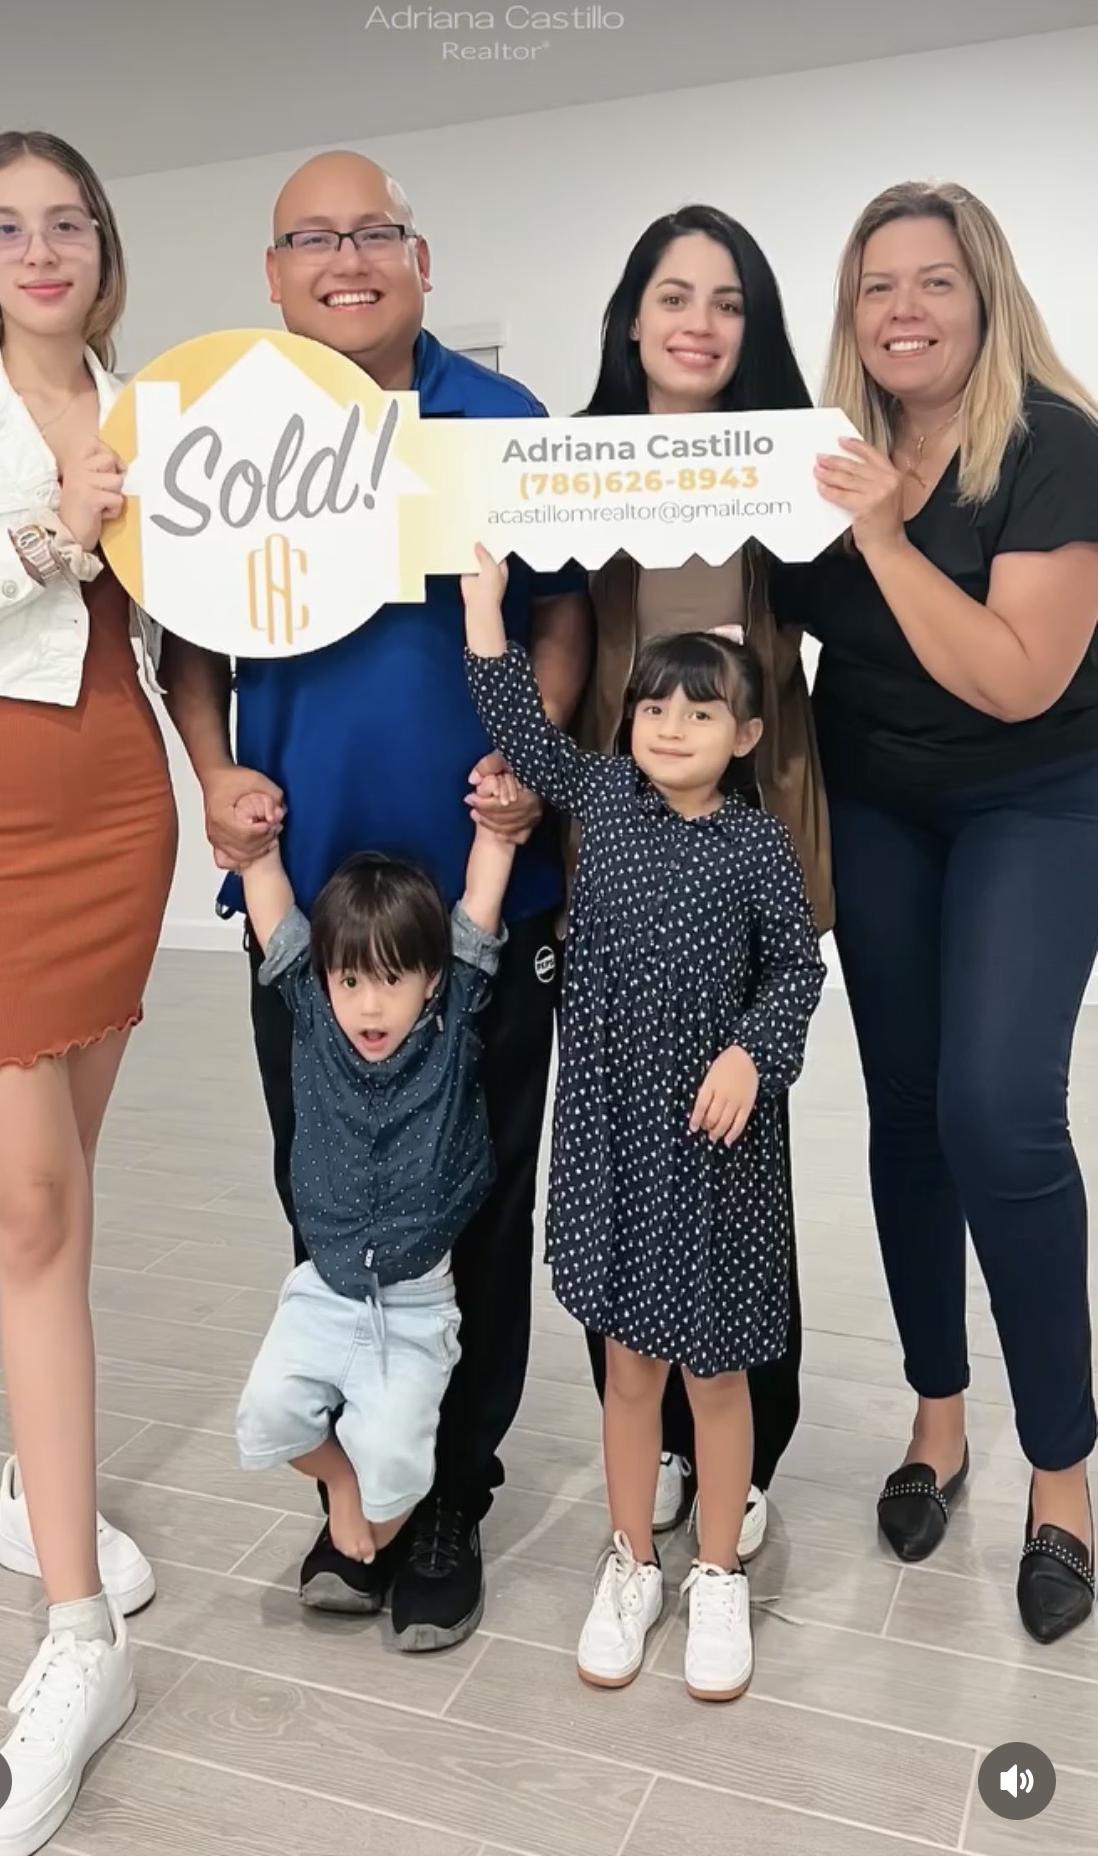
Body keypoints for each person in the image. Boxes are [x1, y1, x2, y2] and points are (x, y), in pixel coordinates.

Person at [162, 150, 590, 1651]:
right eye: (312, 237)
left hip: (485, 900)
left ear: (421, 258)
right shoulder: (229, 431)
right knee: (330, 1197)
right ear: (273, 275)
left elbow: (561, 615)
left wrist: (535, 756)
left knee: (480, 1203)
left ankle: (450, 1492)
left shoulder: (501, 421)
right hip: (308, 924)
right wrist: (211, 770)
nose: (346, 258)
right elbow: (187, 648)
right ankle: (365, 1491)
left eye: (373, 232)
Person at [0, 132, 176, 1853]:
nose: (41, 248)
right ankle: (81, 1637)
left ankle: (34, 1482)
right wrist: (52, 532)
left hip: (114, 806)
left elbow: (187, 625)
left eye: (67, 220)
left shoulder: (156, 410)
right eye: (8, 228)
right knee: (29, 1206)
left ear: (102, 244)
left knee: (62, 1197)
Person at [784, 179, 1098, 1644]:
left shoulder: (1052, 446)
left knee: (997, 1111)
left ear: (985, 298)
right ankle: (936, 1415)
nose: (902, 309)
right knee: (906, 1108)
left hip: (1039, 796)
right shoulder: (826, 456)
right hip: (879, 801)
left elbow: (1019, 678)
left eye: (933, 282)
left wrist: (887, 543)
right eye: (876, 286)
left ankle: (1064, 1472)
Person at [462, 544, 825, 1699]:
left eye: (701, 710)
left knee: (716, 1375)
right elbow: (524, 731)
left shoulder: (758, 846)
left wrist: (752, 1053)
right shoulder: (606, 798)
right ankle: (631, 1560)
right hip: (612, 1139)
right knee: (629, 1369)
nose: (671, 726)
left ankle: (716, 1569)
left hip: (717, 1154)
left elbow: (797, 973)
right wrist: (484, 614)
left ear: (748, 733)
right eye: (654, 706)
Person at [573, 205, 832, 1550]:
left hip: (751, 834)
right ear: (632, 317)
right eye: (673, 295)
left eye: (727, 302)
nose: (698, 322)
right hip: (622, 850)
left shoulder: (788, 463)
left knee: (738, 1148)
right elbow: (552, 635)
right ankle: (653, 1439)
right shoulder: (576, 460)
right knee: (624, 1150)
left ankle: (743, 1442)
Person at [234, 817, 511, 1579]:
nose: (368, 1008)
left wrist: (496, 830)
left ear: (433, 979)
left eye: (392, 981)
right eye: (350, 981)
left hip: (415, 1311)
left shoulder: (453, 1021)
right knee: (266, 1419)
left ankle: (378, 1491)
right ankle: (341, 1480)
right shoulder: (313, 1014)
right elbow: (275, 918)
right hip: (321, 1293)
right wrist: (255, 851)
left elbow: (479, 908)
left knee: (397, 1476)